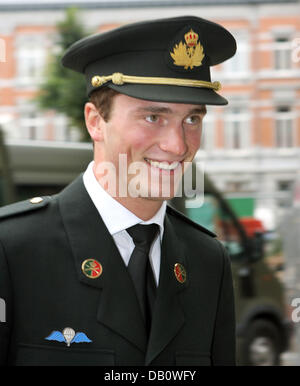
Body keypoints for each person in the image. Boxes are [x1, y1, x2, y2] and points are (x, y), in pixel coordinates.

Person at [0, 16, 236, 366]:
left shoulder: (208, 261)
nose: (177, 145)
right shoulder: (12, 248)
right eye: (153, 117)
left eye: (192, 119)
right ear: (96, 122)